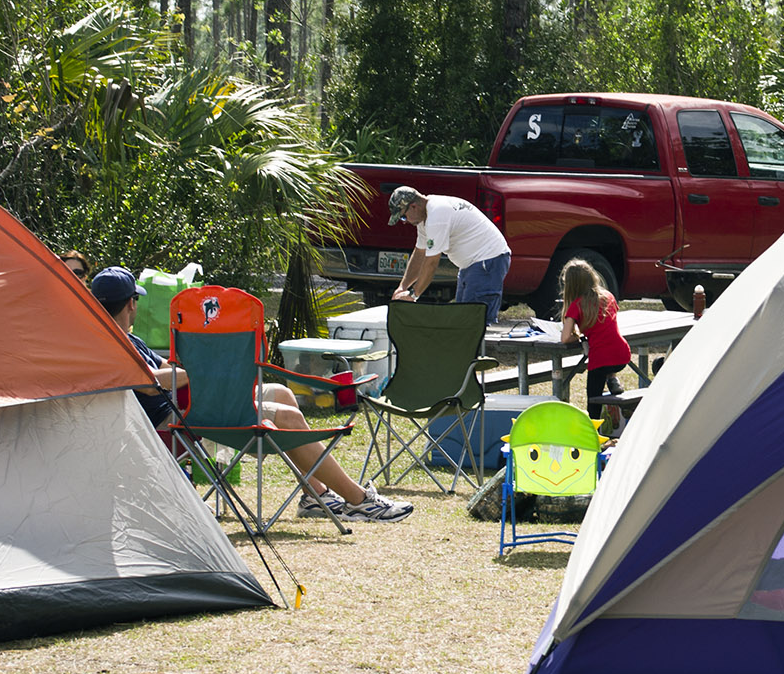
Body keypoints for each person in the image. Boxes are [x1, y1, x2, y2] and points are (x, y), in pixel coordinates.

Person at [88, 267, 412, 524]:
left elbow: (168, 366)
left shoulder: (130, 339)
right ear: (131, 303)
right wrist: (205, 371)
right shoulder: (111, 345)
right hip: (170, 423)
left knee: (281, 394)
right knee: (284, 417)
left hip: (191, 405)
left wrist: (204, 366)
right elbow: (148, 382)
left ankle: (316, 494)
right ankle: (358, 501)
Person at [386, 187, 513, 325]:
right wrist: (402, 287)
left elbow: (431, 263)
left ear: (414, 206)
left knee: (473, 321)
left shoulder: (437, 216)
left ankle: (481, 347)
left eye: (404, 216)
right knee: (462, 320)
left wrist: (413, 295)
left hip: (487, 260)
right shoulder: (424, 217)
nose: (405, 221)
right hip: (470, 265)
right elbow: (420, 254)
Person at [559, 257, 630, 432]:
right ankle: (612, 378)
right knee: (606, 353)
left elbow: (565, 338)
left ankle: (593, 435)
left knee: (593, 401)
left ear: (570, 285)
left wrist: (578, 336)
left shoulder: (576, 306)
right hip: (622, 354)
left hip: (600, 360)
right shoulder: (608, 297)